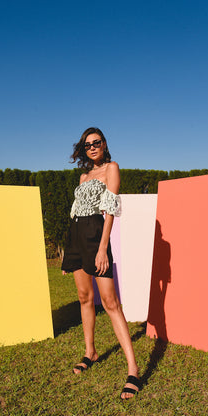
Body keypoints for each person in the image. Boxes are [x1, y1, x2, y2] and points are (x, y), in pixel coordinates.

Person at [62, 127, 140, 399]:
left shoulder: (111, 168)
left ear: (105, 145)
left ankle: (133, 369)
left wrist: (103, 248)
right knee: (85, 297)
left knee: (110, 302)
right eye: (87, 145)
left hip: (97, 238)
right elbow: (76, 213)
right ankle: (90, 352)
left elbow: (110, 211)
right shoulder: (83, 176)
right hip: (76, 239)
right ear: (83, 150)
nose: (92, 147)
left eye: (96, 143)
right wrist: (68, 251)